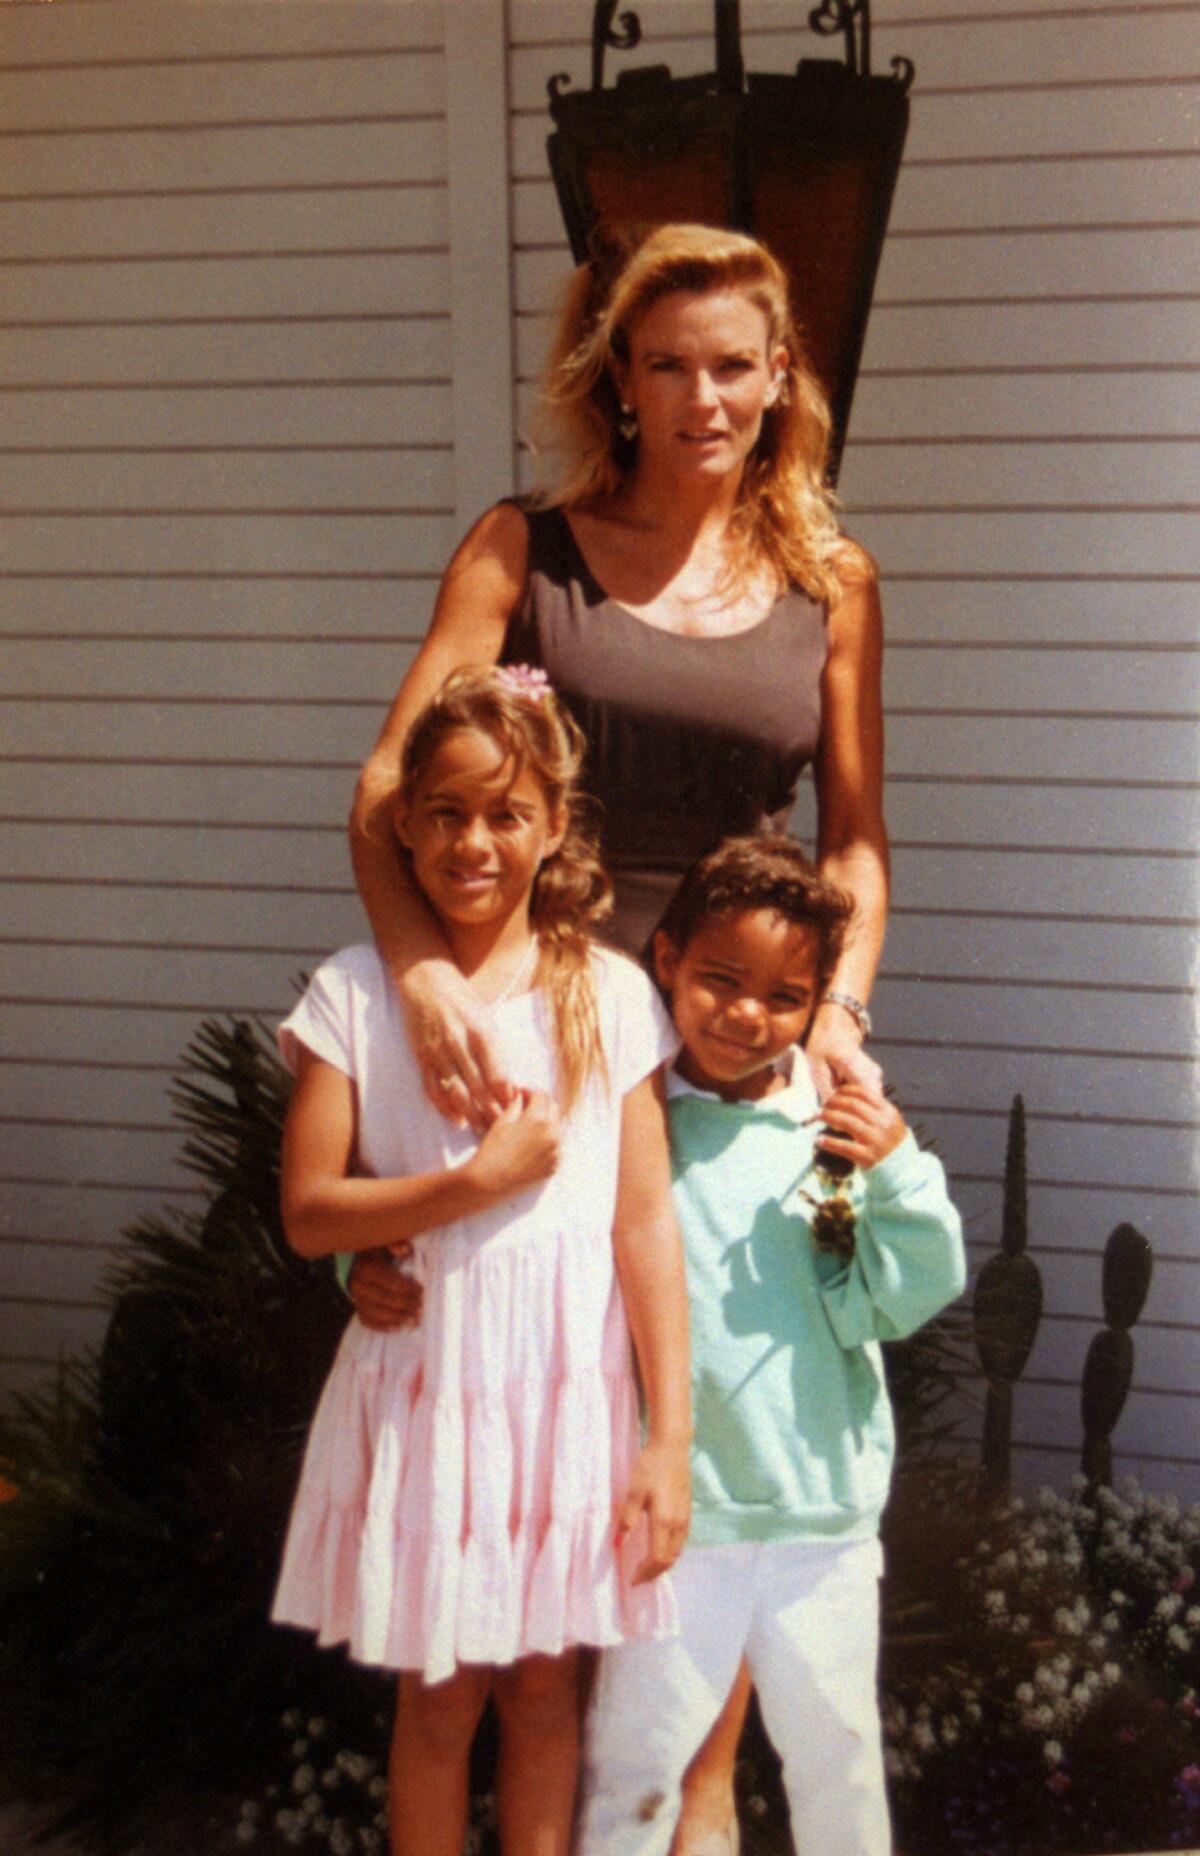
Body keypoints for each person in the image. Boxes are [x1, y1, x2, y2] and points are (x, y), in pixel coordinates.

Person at [348, 220, 889, 1852]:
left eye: (736, 362)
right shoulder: (528, 550)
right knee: (519, 1497)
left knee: (706, 1481)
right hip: (550, 1060)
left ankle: (686, 1816)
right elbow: (387, 793)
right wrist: (426, 979)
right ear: (621, 380)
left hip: (734, 1070)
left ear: (779, 375)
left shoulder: (832, 586)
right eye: (670, 363)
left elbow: (856, 838)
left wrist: (837, 1023)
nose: (706, 394)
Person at [272, 666, 692, 1856]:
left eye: (507, 814)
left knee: (548, 1689)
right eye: (447, 812)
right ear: (404, 822)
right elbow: (309, 1210)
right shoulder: (355, 994)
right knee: (442, 1693)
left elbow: (644, 1222)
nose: (474, 842)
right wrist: (467, 1187)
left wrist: (669, 1434)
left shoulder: (606, 994)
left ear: (555, 825)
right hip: (429, 1391)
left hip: (565, 1395)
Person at [576, 834, 965, 1856]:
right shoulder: (633, 1123)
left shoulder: (831, 1128)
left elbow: (906, 1291)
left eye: (786, 995)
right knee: (633, 1773)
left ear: (819, 1001)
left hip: (820, 1527)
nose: (748, 1013)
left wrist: (896, 1169)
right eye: (719, 978)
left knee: (836, 1766)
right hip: (678, 1527)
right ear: (664, 958)